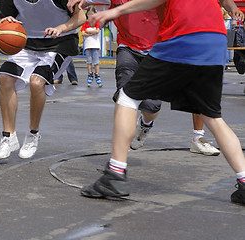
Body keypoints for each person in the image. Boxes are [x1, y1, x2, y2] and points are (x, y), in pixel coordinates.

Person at [68, 0, 245, 206]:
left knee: (128, 96)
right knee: (212, 116)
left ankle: (114, 175)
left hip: (183, 33)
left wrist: (116, 11)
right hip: (215, 38)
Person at [0, 0, 86, 160]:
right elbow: (3, 18)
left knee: (37, 82)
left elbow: (81, 17)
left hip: (59, 43)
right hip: (26, 43)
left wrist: (61, 28)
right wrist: (4, 23)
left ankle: (33, 134)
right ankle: (8, 137)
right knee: (5, 78)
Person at [81, 6, 102, 87]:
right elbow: (82, 33)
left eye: (92, 14)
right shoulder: (85, 23)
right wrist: (91, 32)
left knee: (96, 62)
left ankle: (97, 75)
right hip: (88, 45)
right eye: (89, 14)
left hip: (95, 45)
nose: (90, 16)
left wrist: (88, 31)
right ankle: (90, 75)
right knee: (89, 61)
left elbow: (97, 31)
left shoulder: (97, 22)